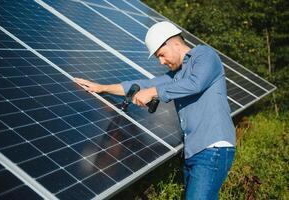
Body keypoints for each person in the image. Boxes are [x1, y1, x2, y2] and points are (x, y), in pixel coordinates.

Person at [74, 21, 235, 200]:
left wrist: (153, 92)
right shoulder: (178, 75)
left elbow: (195, 84)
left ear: (174, 43)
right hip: (194, 151)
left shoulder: (204, 55)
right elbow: (144, 85)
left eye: (162, 55)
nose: (161, 61)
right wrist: (102, 87)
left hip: (212, 148)